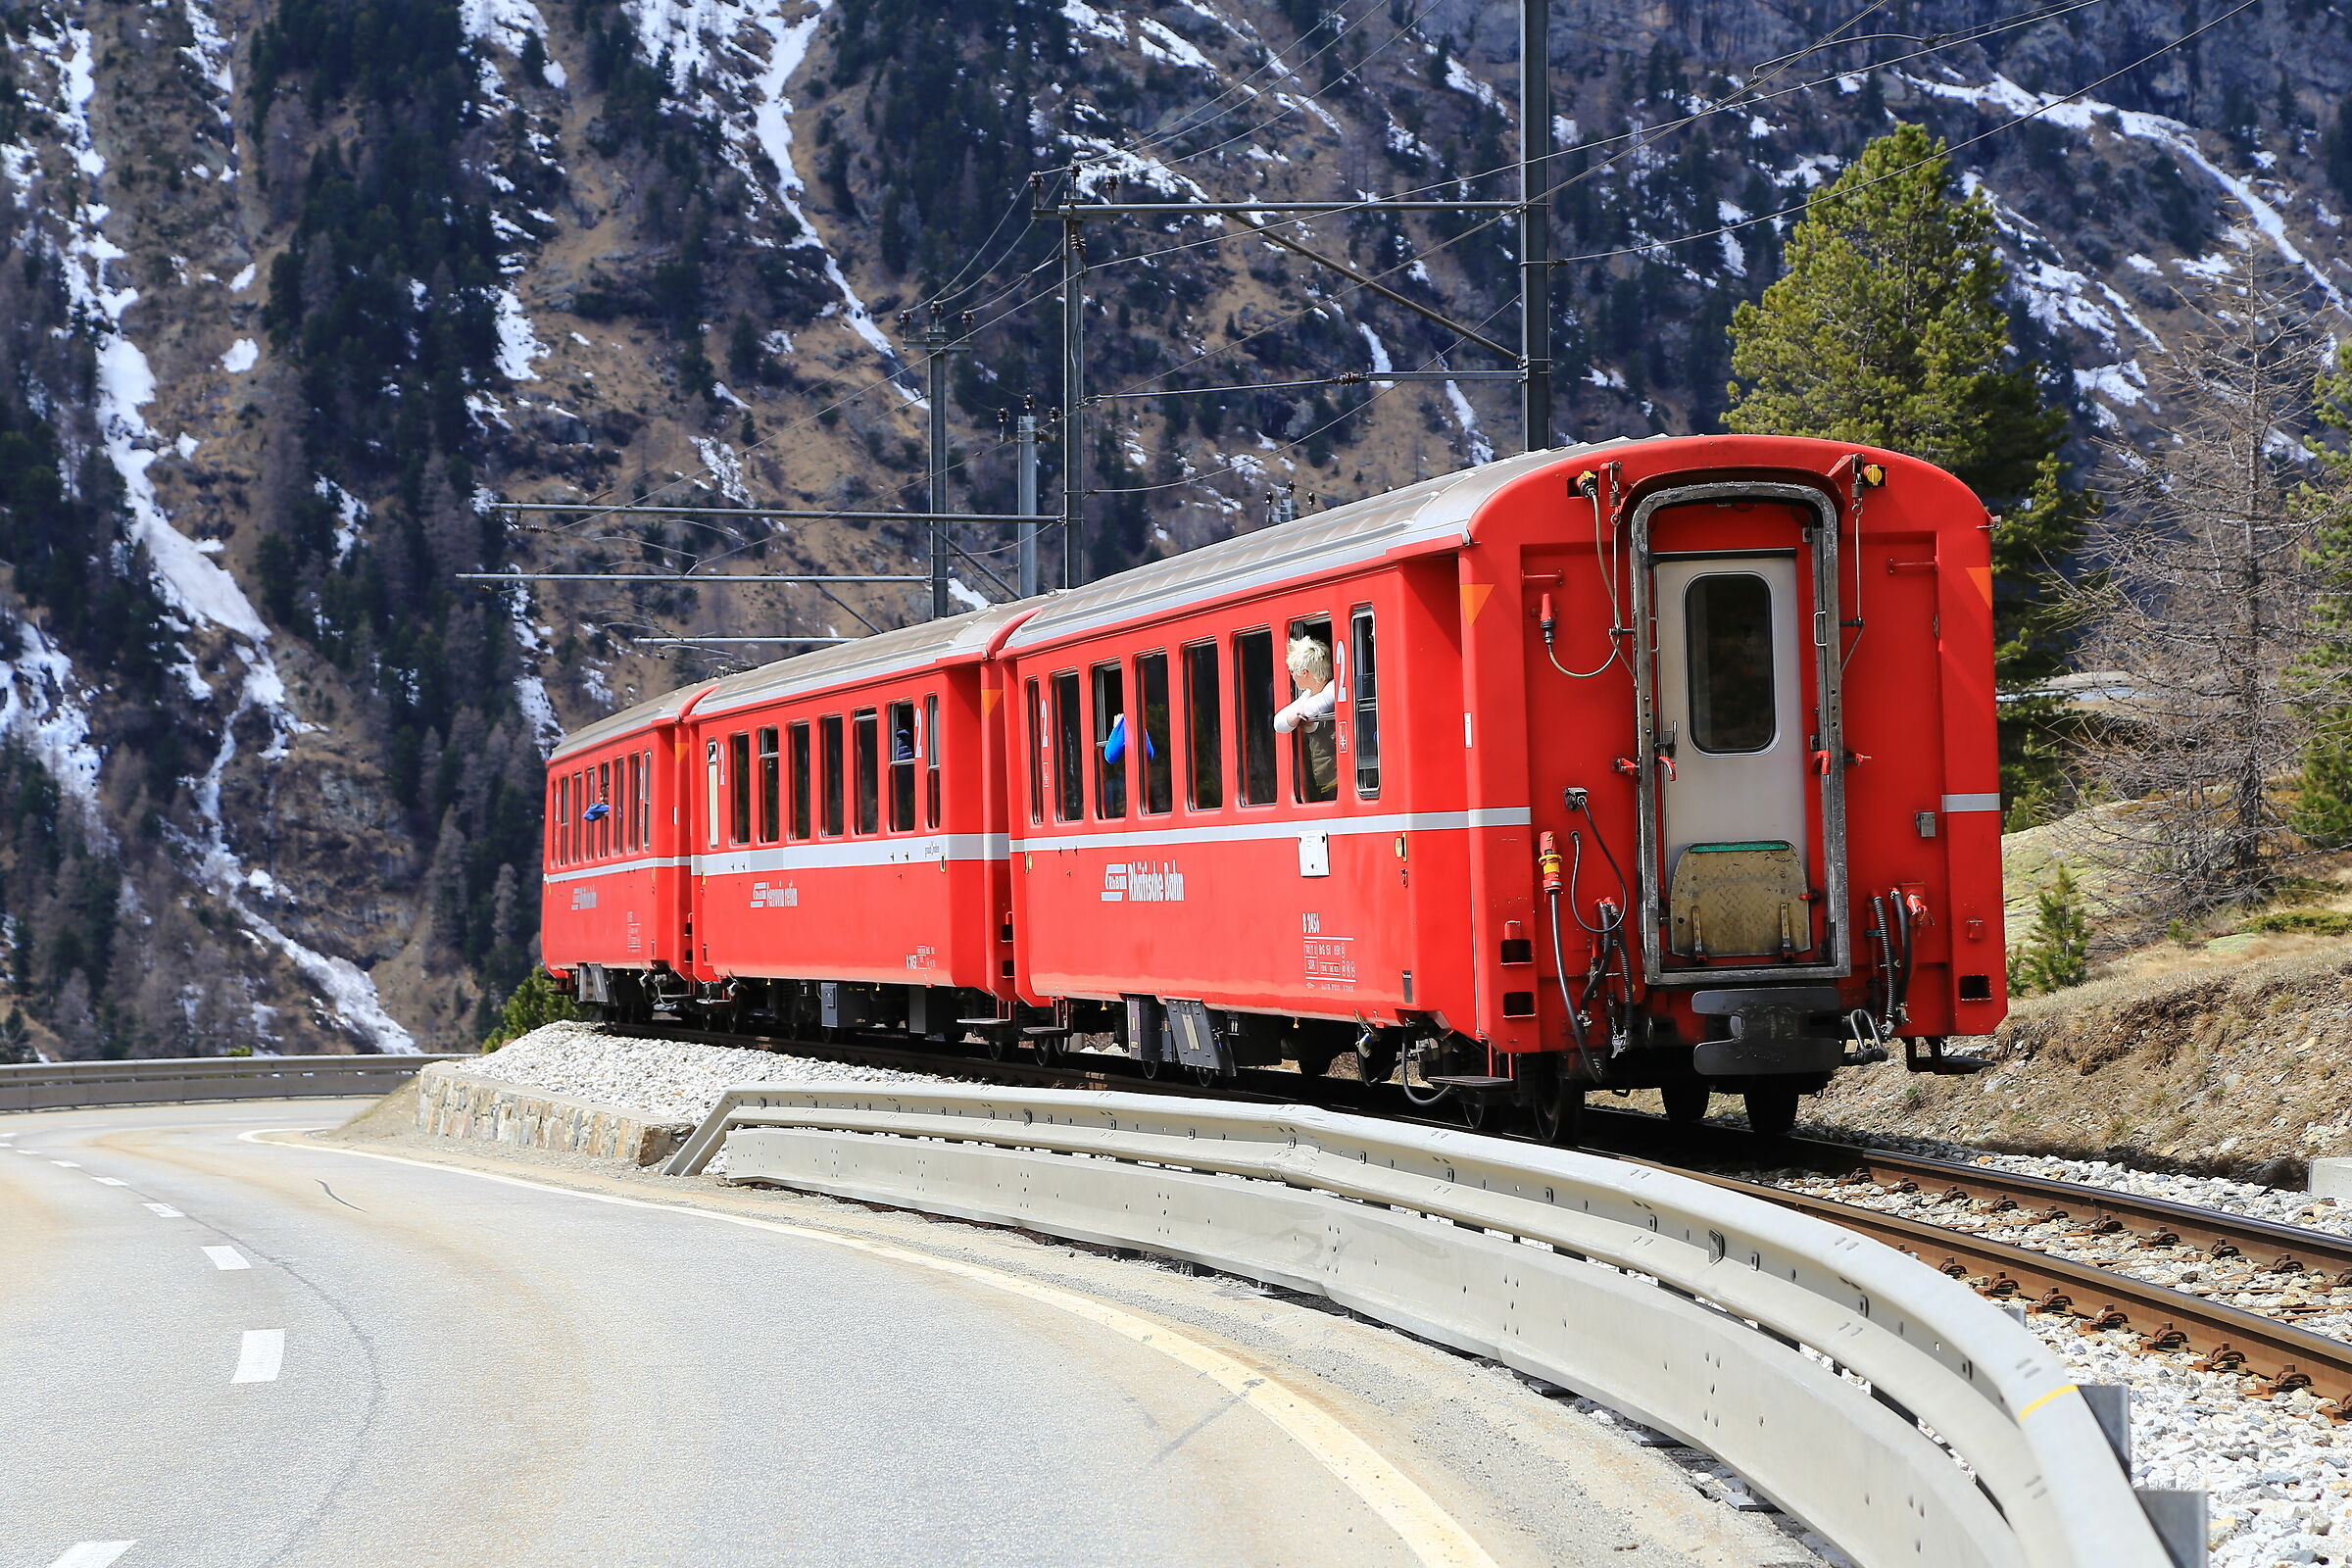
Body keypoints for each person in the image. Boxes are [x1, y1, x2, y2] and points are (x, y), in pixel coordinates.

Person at [1274, 633, 1338, 800]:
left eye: (1292, 671)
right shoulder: (1308, 694)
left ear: (1304, 672)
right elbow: (1278, 722)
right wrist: (1294, 716)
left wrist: (1302, 713)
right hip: (1326, 779)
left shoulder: (1332, 688)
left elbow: (1315, 707)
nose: (1291, 676)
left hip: (1337, 779)